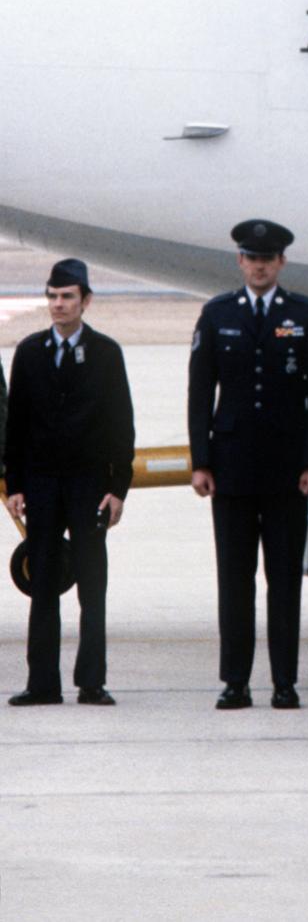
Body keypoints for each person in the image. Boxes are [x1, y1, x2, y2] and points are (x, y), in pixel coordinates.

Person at [187, 220, 308, 711]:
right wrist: (200, 462)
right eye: (252, 257)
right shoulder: (217, 314)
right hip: (230, 469)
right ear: (240, 261)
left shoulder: (305, 315)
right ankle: (235, 681)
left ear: (282, 263)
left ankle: (284, 682)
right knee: (234, 578)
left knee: (284, 580)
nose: (260, 265)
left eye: (268, 258)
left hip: (287, 471)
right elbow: (199, 393)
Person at [5, 258, 134, 707]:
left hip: (88, 484)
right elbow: (15, 425)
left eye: (67, 297)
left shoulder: (106, 353)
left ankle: (91, 682)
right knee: (43, 585)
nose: (58, 305)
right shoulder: (29, 352)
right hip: (41, 484)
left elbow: (122, 425)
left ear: (86, 301)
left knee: (91, 585)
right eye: (53, 296)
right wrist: (15, 485)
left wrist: (120, 488)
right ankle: (42, 682)